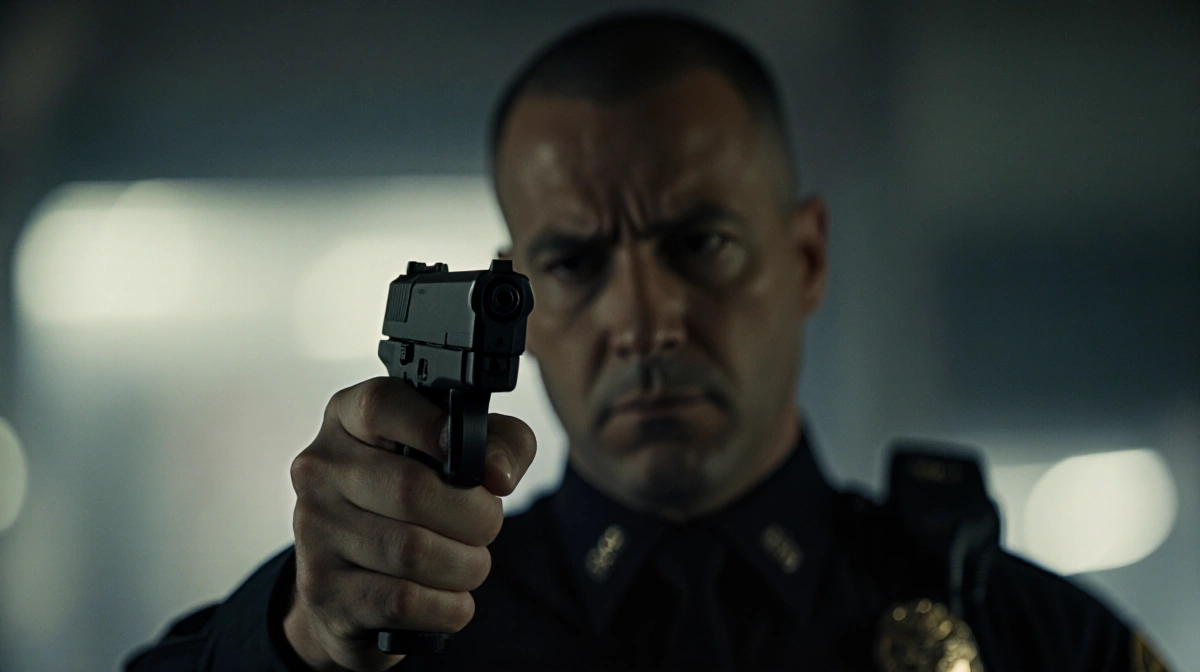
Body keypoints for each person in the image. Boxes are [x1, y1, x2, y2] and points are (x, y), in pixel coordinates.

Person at [126, 12, 1171, 672]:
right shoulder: (404, 624)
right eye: (576, 264)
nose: (644, 319)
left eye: (700, 243)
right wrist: (296, 640)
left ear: (804, 257)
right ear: (520, 300)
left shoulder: (1024, 636)